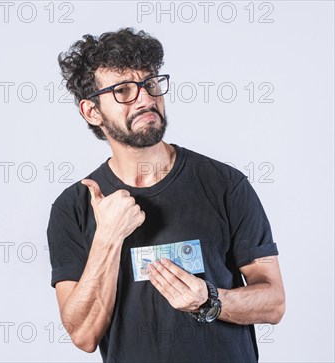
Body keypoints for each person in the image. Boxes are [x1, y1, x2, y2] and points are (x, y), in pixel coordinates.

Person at [46, 28, 285, 362]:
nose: (145, 99)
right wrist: (108, 238)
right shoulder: (73, 207)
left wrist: (210, 300)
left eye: (150, 84)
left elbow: (274, 302)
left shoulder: (225, 184)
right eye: (123, 91)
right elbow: (84, 335)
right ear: (91, 111)